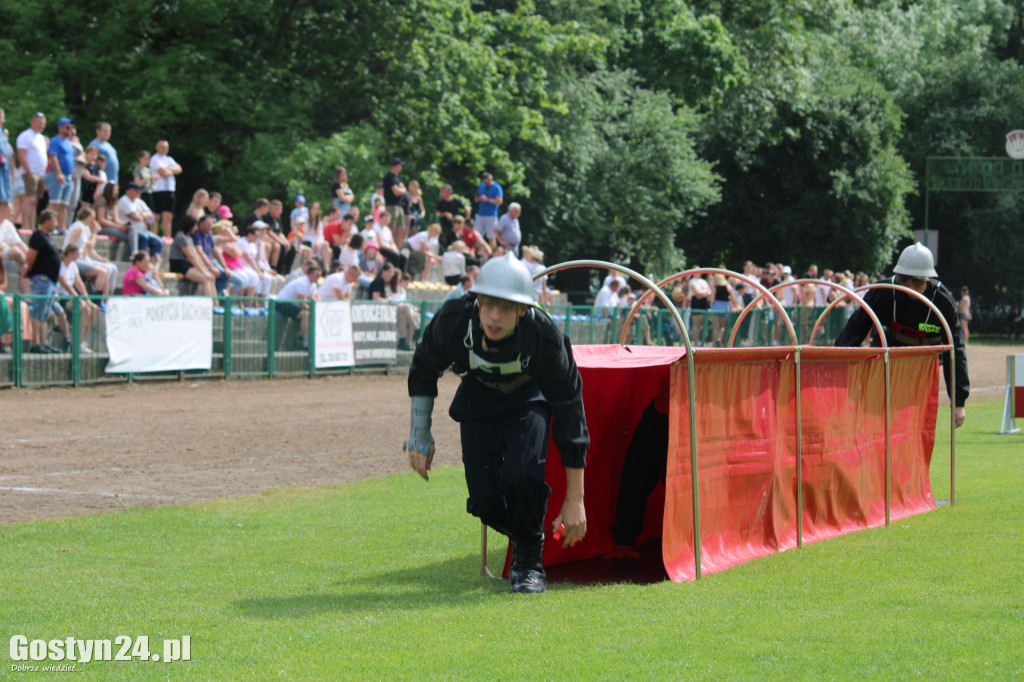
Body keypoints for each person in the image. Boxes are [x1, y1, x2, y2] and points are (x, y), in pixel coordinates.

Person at [405, 253, 589, 593]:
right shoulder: (455, 320)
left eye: (506, 308)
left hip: (529, 401)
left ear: (523, 309)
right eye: (488, 304)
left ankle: (529, 561)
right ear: (476, 301)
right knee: (484, 502)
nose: (494, 316)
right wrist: (419, 434)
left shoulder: (545, 336)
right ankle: (527, 534)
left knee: (522, 474)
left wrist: (575, 499)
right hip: (478, 402)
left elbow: (570, 410)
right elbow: (425, 366)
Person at [835, 242, 970, 428]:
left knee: (914, 421)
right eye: (907, 281)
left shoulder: (943, 300)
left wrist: (958, 400)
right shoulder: (882, 292)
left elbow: (955, 350)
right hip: (887, 360)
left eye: (918, 282)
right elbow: (854, 329)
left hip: (924, 365)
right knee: (877, 417)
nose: (912, 288)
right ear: (899, 278)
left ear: (928, 279)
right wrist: (835, 370)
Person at [21, 210, 63, 353]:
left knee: (45, 313)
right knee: (38, 312)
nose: (56, 224)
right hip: (41, 279)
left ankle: (44, 343)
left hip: (50, 281)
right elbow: (30, 256)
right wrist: (29, 271)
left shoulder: (47, 237)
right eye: (54, 221)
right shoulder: (38, 237)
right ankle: (36, 343)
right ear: (46, 221)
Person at [56, 245, 99, 353]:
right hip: (64, 298)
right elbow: (65, 284)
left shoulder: (73, 265)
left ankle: (81, 340)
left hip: (73, 297)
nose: (79, 256)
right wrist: (77, 298)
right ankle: (77, 343)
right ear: (70, 253)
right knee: (83, 307)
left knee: (94, 309)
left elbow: (79, 283)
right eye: (77, 253)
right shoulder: (61, 265)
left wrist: (87, 299)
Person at [275, 262, 321, 349]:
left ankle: (306, 335)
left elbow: (312, 298)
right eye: (317, 275)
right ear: (310, 274)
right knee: (306, 315)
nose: (319, 277)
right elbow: (302, 304)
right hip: (282, 304)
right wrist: (311, 310)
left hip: (290, 304)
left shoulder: (312, 284)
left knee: (311, 314)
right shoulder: (303, 283)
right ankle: (306, 342)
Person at [168, 218, 217, 297]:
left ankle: (216, 305)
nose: (196, 228)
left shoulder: (189, 238)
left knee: (211, 277)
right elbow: (190, 256)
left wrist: (205, 270)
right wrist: (204, 272)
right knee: (205, 279)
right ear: (189, 226)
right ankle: (210, 304)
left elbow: (196, 256)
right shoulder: (181, 237)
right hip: (178, 265)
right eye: (195, 226)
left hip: (186, 264)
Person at [16, 112, 48, 231]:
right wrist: (29, 171)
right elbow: (21, 155)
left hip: (40, 174)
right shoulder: (25, 136)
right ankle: (25, 225)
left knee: (35, 201)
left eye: (44, 123)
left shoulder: (41, 138)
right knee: (29, 199)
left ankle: (32, 226)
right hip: (31, 172)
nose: (42, 126)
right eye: (40, 123)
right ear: (33, 122)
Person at [150, 139, 182, 236]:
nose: (165, 149)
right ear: (157, 148)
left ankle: (167, 237)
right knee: (156, 216)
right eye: (162, 147)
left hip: (170, 190)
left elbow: (179, 169)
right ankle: (154, 236)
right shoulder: (155, 159)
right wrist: (172, 170)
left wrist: (168, 170)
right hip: (158, 190)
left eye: (166, 147)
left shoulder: (169, 159)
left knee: (168, 216)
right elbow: (163, 173)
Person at [474, 171, 503, 250]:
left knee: (491, 237)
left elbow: (499, 201)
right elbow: (476, 199)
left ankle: (493, 255)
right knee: (476, 236)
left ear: (491, 179)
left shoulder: (497, 187)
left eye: (487, 182)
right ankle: (479, 253)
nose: (486, 184)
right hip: (480, 214)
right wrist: (480, 198)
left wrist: (487, 199)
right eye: (485, 183)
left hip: (491, 215)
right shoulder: (481, 186)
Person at [382, 157, 407, 247]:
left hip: (399, 206)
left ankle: (398, 249)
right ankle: (389, 247)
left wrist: (402, 189)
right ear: (396, 166)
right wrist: (403, 189)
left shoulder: (396, 178)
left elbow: (400, 189)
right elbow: (396, 192)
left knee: (401, 229)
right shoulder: (389, 177)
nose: (401, 167)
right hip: (391, 206)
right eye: (400, 165)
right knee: (392, 228)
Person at [435, 183, 470, 248]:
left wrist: (466, 221)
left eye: (443, 191)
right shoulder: (440, 202)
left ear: (449, 192)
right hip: (445, 225)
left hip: (457, 224)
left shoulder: (455, 201)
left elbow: (467, 209)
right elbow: (437, 213)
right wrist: (445, 214)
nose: (441, 193)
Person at [88, 121, 119, 188]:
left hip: (112, 181)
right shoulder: (94, 144)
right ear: (98, 131)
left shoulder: (109, 145)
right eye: (105, 131)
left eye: (109, 131)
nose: (107, 133)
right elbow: (90, 162)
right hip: (102, 182)